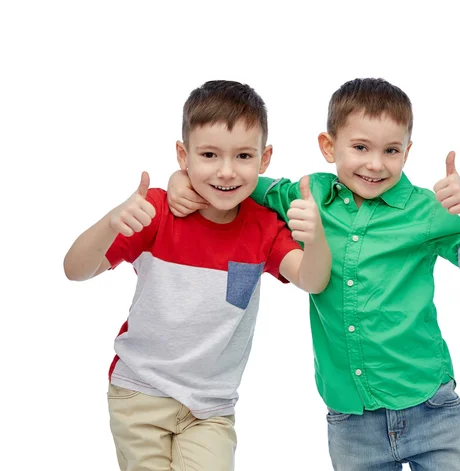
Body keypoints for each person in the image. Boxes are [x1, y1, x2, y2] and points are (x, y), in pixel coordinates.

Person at [167, 77, 460, 470]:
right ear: (329, 147)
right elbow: (233, 186)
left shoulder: (424, 210)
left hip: (429, 404)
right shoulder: (308, 194)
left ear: (407, 152)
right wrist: (179, 179)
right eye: (360, 147)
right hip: (351, 416)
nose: (375, 163)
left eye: (391, 150)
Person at [63, 80, 332, 471]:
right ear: (182, 155)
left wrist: (317, 238)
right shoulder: (155, 210)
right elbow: (74, 270)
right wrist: (111, 223)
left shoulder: (263, 226)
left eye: (243, 155)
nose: (226, 171)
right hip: (139, 394)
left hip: (211, 409)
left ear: (264, 158)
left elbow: (313, 280)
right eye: (209, 154)